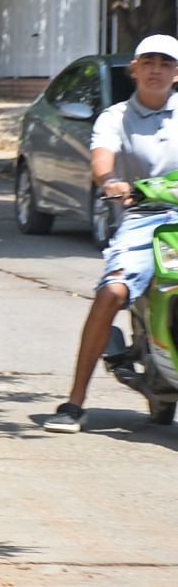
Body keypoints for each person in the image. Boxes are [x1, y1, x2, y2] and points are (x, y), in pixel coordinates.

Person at [45, 34, 178, 433]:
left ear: (177, 73)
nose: (157, 69)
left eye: (166, 63)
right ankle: (74, 402)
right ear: (134, 69)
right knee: (112, 293)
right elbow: (102, 159)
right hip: (144, 217)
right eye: (149, 62)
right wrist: (110, 181)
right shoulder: (115, 117)